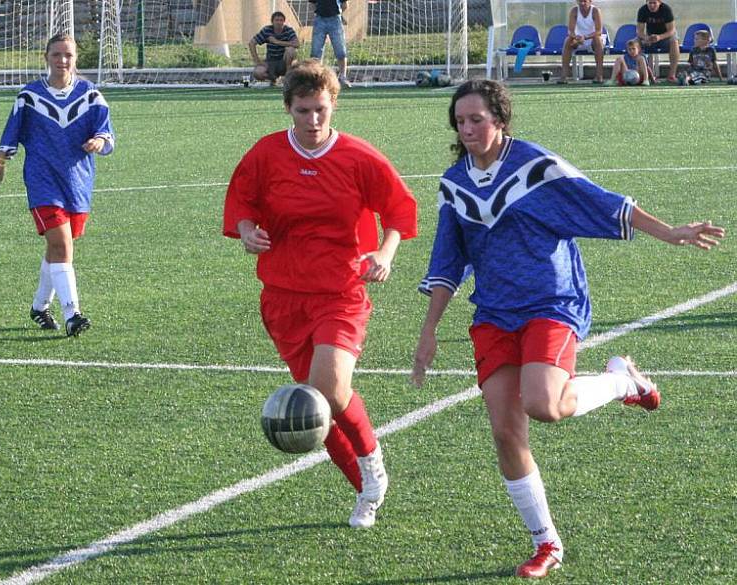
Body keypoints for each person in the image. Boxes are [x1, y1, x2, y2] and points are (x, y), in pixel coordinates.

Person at [411, 80, 724, 579]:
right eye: (461, 121)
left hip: (551, 303)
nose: (468, 129)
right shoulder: (454, 184)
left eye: (478, 119)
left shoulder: (536, 168)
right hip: (493, 313)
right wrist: (429, 333)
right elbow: (448, 261)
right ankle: (546, 542)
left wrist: (671, 232)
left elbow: (600, 202)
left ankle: (625, 380)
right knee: (505, 431)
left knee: (544, 404)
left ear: (501, 120)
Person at [223, 59, 417, 528]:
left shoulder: (359, 157)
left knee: (328, 391)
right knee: (313, 406)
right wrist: (248, 232)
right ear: (288, 108)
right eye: (304, 110)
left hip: (340, 292)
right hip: (283, 296)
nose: (313, 120)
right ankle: (366, 486)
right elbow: (242, 203)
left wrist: (385, 253)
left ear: (334, 106)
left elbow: (398, 211)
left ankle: (371, 464)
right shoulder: (266, 155)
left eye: (321, 110)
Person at [0, 33, 114, 337]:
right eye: (56, 55)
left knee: (58, 248)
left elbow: (108, 134)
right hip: (42, 180)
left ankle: (39, 307)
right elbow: (12, 130)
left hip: (77, 182)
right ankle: (73, 314)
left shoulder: (90, 95)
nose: (62, 61)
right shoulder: (30, 95)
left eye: (68, 55)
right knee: (62, 244)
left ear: (75, 59)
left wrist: (98, 141)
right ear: (46, 58)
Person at [559, 0, 606, 84]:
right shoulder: (574, 11)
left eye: (584, 1)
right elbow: (570, 31)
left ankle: (599, 75)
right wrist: (576, 37)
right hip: (578, 39)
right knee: (568, 40)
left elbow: (599, 31)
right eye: (580, 1)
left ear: (590, 1)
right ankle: (564, 76)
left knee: (598, 40)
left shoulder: (595, 11)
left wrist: (586, 37)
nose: (582, 3)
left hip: (592, 38)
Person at [248, 11, 299, 85]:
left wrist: (277, 42)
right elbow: (252, 43)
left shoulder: (288, 30)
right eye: (276, 20)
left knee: (291, 50)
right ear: (272, 22)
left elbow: (297, 44)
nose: (279, 22)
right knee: (257, 73)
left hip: (284, 61)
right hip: (271, 61)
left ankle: (288, 78)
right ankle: (274, 79)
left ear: (284, 22)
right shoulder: (267, 30)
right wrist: (257, 61)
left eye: (281, 20)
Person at [308, 0, 351, 87]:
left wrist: (335, 14)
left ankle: (343, 77)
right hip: (319, 20)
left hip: (335, 20)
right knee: (316, 51)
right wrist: (318, 14)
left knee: (340, 49)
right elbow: (312, 4)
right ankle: (316, 78)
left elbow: (345, 5)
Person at [637, 0, 680, 82]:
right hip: (650, 36)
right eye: (650, 3)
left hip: (665, 36)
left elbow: (671, 30)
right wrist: (646, 38)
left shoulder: (666, 10)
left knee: (674, 41)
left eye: (654, 3)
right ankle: (641, 74)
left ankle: (671, 75)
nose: (652, 5)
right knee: (635, 43)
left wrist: (660, 37)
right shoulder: (642, 10)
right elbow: (639, 31)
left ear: (659, 2)